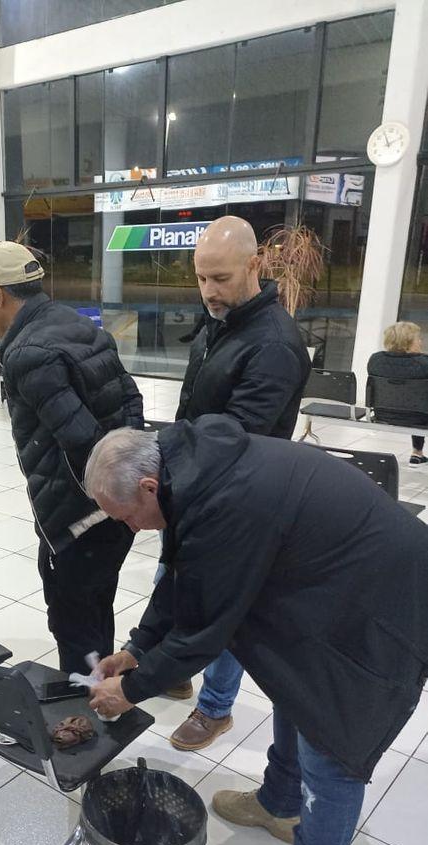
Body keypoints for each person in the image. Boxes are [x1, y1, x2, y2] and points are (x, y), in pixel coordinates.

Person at [82, 419, 427, 845]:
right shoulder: (189, 474)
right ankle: (281, 804)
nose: (131, 528)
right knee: (296, 684)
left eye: (127, 516)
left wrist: (130, 692)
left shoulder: (226, 501)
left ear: (148, 487)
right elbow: (182, 574)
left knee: (332, 742)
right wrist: (135, 649)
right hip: (326, 588)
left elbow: (204, 630)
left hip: (379, 601)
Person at [0, 241, 144, 673]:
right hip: (116, 508)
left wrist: (85, 515)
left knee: (72, 619)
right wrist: (125, 495)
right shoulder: (79, 325)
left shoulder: (27, 353)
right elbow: (131, 400)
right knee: (98, 604)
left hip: (78, 517)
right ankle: (103, 690)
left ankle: (86, 715)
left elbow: (82, 443)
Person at [166, 215, 311, 752]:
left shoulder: (273, 343)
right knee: (176, 582)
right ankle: (170, 665)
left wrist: (172, 464)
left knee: (226, 608)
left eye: (221, 278)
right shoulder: (218, 320)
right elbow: (194, 404)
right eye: (202, 278)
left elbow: (237, 436)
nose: (209, 291)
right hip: (197, 482)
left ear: (255, 265)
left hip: (240, 496)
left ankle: (216, 708)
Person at [367, 320, 428, 467]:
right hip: (420, 418)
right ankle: (417, 452)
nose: (421, 341)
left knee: (414, 400)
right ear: (407, 342)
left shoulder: (376, 360)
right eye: (417, 338)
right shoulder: (424, 363)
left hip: (384, 414)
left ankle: (417, 454)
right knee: (418, 404)